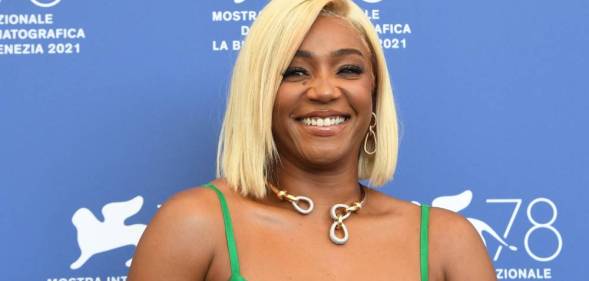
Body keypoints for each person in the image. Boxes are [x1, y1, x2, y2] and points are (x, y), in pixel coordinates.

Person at [128, 0, 496, 280]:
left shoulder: (449, 241)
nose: (323, 90)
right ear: (259, 94)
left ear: (374, 92)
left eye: (348, 69)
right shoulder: (194, 224)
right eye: (296, 71)